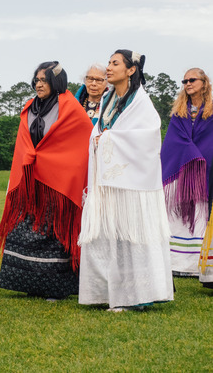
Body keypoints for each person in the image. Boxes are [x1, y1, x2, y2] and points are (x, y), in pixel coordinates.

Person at [78, 49, 174, 311]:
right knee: (110, 236)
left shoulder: (141, 102)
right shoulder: (109, 98)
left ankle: (137, 295)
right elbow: (101, 127)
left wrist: (107, 139)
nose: (109, 68)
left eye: (115, 63)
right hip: (110, 179)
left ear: (131, 69)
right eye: (109, 62)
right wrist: (100, 138)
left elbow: (149, 135)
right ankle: (105, 292)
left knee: (131, 238)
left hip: (133, 182)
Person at [0, 62, 92, 300]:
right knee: (25, 227)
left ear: (56, 82)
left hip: (57, 184)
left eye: (44, 80)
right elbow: (24, 143)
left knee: (54, 231)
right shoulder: (29, 106)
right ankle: (27, 282)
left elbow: (80, 143)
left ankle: (54, 287)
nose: (38, 84)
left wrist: (51, 161)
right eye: (36, 80)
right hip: (31, 182)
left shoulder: (70, 108)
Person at [161, 68, 213, 277]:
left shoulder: (211, 111)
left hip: (204, 170)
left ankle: (194, 265)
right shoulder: (178, 113)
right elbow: (174, 141)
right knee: (178, 215)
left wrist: (200, 157)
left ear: (204, 82)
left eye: (192, 80)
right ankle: (176, 263)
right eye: (184, 81)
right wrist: (191, 155)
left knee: (200, 213)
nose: (188, 83)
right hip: (182, 170)